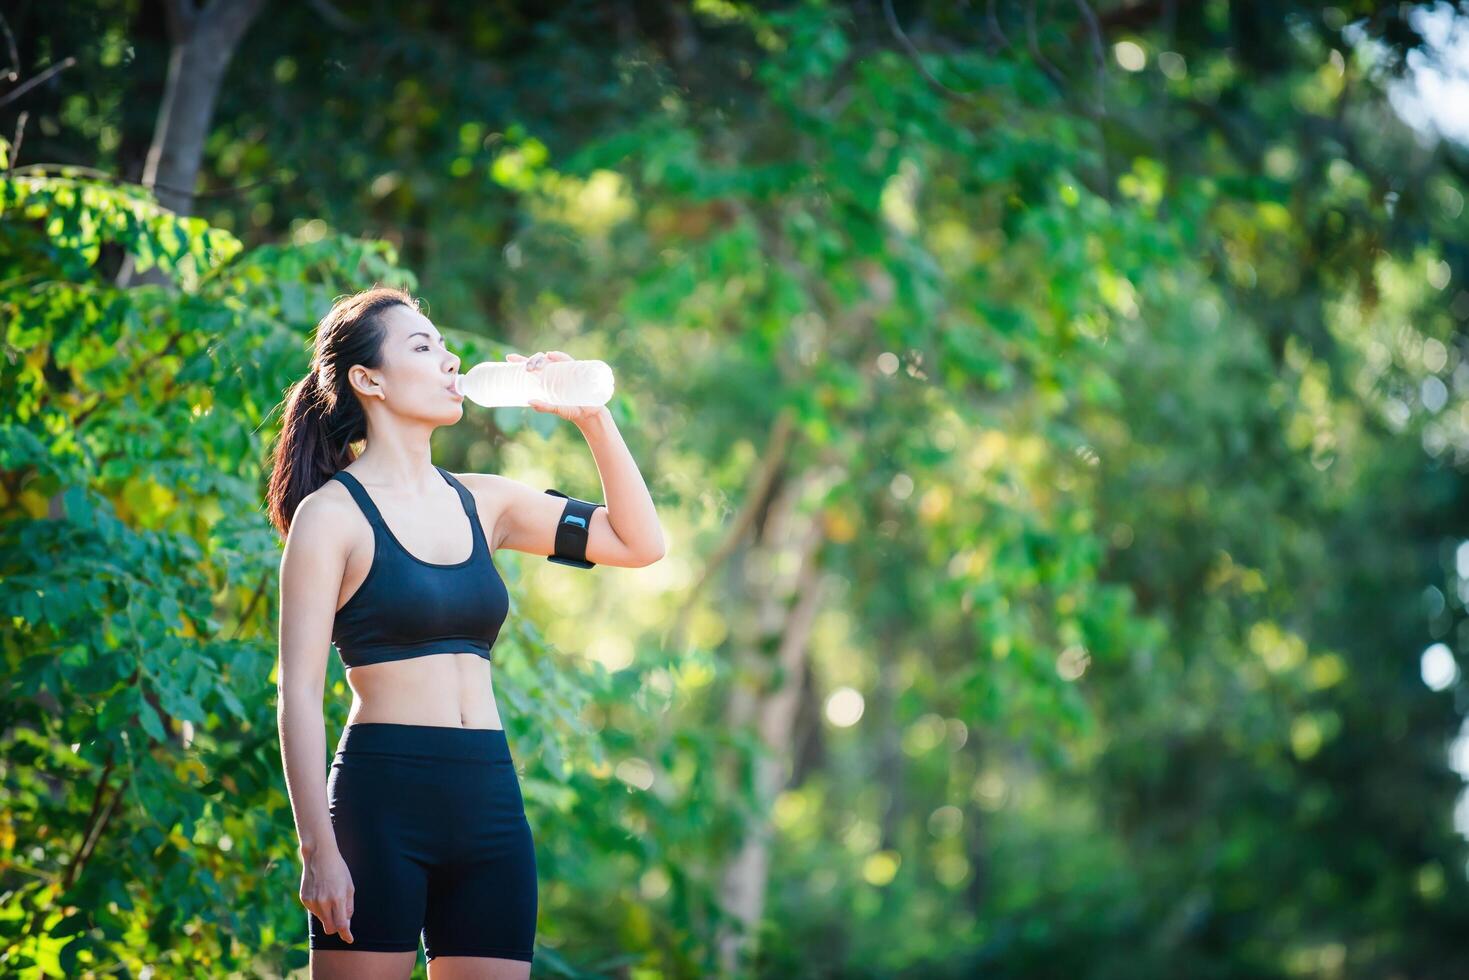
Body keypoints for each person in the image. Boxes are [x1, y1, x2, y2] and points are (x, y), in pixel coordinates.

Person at [265, 285, 665, 979]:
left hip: (487, 798)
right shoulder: (330, 517)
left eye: (445, 346)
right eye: (423, 347)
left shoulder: (488, 502)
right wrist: (317, 852)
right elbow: (297, 693)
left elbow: (639, 543)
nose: (450, 361)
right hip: (381, 801)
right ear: (369, 380)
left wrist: (591, 421)